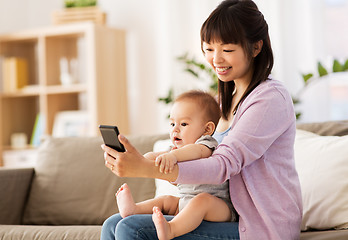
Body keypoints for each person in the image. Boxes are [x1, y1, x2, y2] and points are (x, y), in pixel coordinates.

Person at [101, 0, 303, 239]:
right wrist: (150, 160)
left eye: (227, 50)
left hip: (258, 225)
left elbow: (222, 166)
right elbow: (197, 162)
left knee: (130, 227)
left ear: (256, 47)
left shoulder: (270, 99)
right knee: (113, 223)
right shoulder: (220, 103)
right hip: (220, 213)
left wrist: (144, 169)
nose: (216, 59)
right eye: (208, 49)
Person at [115, 90, 237, 240]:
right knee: (167, 200)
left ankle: (171, 229)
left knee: (202, 200)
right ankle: (134, 209)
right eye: (172, 123)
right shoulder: (176, 151)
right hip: (187, 202)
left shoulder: (206, 145)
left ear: (207, 129)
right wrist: (142, 159)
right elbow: (156, 156)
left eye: (184, 124)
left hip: (219, 208)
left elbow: (196, 152)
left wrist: (172, 156)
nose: (175, 129)